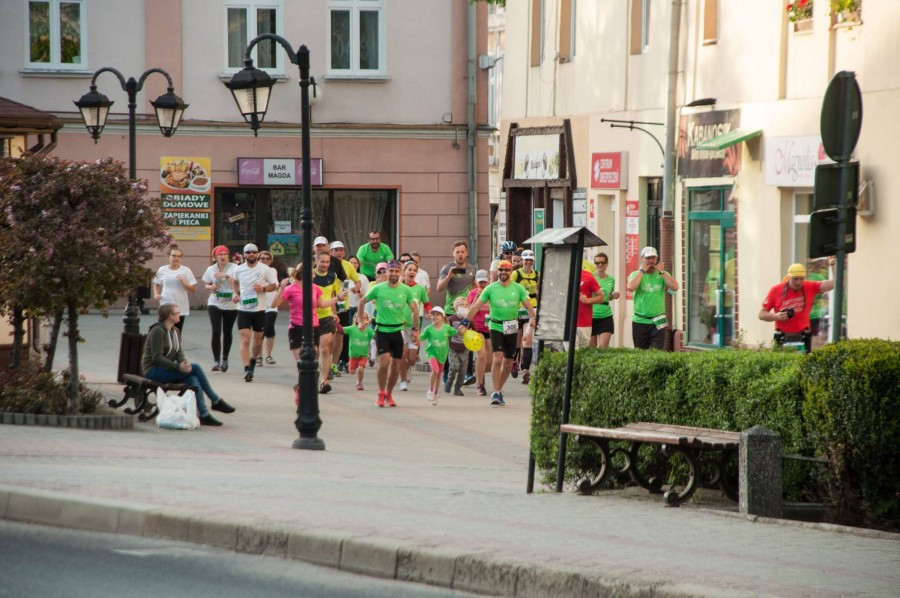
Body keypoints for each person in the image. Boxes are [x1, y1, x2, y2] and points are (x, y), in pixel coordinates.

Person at [141, 304, 235, 426]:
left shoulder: (176, 331)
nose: (179, 315)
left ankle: (204, 414)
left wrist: (184, 363)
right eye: (177, 313)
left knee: (193, 377)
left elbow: (179, 352)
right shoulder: (158, 331)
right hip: (153, 371)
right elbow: (157, 357)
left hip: (166, 369)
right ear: (170, 316)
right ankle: (215, 400)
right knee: (196, 368)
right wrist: (178, 367)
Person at [461, 260, 536, 406]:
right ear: (497, 272)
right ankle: (495, 392)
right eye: (500, 270)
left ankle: (498, 390)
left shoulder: (518, 288)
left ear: (510, 272)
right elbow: (476, 307)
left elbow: (528, 306)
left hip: (511, 326)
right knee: (497, 358)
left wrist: (533, 318)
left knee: (508, 362)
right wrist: (465, 321)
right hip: (495, 325)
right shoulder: (491, 289)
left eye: (506, 270)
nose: (503, 273)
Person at [358, 260, 420, 407]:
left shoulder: (406, 290)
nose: (393, 274)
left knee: (396, 366)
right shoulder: (378, 288)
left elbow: (415, 309)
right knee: (384, 362)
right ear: (387, 272)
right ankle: (380, 392)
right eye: (390, 271)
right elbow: (362, 301)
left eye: (396, 271)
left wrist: (415, 329)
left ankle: (389, 394)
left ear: (401, 273)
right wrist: (360, 321)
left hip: (398, 331)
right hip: (382, 330)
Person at [271, 262, 342, 363]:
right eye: (312, 273)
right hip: (296, 327)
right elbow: (274, 305)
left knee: (312, 360)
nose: (314, 275)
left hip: (313, 327)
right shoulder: (291, 288)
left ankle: (313, 378)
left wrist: (338, 298)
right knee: (301, 362)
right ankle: (303, 376)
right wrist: (281, 289)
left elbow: (323, 304)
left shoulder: (315, 288)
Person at [759, 262, 835, 352]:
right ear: (789, 277)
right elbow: (761, 314)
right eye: (795, 279)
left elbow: (834, 284)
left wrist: (833, 266)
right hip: (783, 337)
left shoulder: (809, 286)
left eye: (801, 279)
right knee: (783, 365)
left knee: (803, 364)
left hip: (803, 336)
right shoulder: (776, 290)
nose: (798, 282)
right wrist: (776, 316)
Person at [232, 243, 278, 382]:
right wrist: (235, 293)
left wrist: (263, 289)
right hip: (243, 309)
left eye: (254, 252)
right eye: (248, 252)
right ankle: (247, 369)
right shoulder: (239, 269)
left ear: (257, 253)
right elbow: (235, 282)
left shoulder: (265, 269)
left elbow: (274, 285)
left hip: (260, 309)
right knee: (245, 339)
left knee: (257, 342)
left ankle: (252, 361)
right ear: (244, 254)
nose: (251, 254)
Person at [626, 246, 679, 350]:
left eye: (653, 258)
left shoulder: (663, 274)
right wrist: (641, 271)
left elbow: (675, 286)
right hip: (640, 320)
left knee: (657, 352)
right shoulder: (635, 274)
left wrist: (662, 272)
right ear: (643, 259)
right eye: (648, 258)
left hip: (659, 320)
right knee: (640, 352)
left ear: (657, 258)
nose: (651, 261)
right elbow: (631, 287)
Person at [202, 245, 238, 372]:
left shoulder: (235, 268)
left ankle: (225, 358)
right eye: (220, 254)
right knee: (216, 330)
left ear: (228, 256)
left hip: (231, 303)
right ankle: (216, 360)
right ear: (215, 257)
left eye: (225, 254)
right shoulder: (211, 269)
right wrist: (210, 287)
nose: (223, 257)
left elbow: (238, 283)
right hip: (214, 302)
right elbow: (206, 284)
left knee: (227, 332)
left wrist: (226, 276)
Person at [312, 251, 344, 393]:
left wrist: (334, 314)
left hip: (326, 317)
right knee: (313, 350)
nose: (325, 264)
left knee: (325, 348)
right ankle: (311, 375)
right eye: (322, 261)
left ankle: (324, 381)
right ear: (316, 261)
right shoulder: (309, 276)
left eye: (327, 262)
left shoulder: (333, 276)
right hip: (311, 317)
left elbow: (332, 296)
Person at [328, 240, 361, 376]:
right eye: (335, 250)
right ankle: (325, 362)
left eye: (341, 250)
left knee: (339, 335)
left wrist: (355, 288)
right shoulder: (326, 263)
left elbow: (357, 281)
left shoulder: (348, 265)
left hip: (342, 304)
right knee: (328, 336)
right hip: (327, 303)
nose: (338, 252)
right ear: (330, 252)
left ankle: (335, 364)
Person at [397, 260, 430, 391]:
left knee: (411, 359)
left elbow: (427, 303)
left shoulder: (420, 288)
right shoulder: (397, 286)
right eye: (409, 269)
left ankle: (408, 367)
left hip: (414, 326)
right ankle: (403, 381)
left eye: (414, 270)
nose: (412, 272)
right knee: (402, 355)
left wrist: (429, 313)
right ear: (404, 271)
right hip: (399, 326)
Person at [510, 249, 540, 382]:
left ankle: (526, 370)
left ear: (533, 261)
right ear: (522, 260)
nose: (528, 262)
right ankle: (514, 362)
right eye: (526, 260)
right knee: (517, 339)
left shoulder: (537, 275)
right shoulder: (516, 274)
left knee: (527, 339)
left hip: (531, 309)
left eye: (530, 260)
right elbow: (509, 287)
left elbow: (540, 291)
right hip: (517, 309)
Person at [153, 244, 197, 331]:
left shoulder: (186, 270)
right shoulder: (162, 269)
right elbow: (156, 284)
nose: (176, 258)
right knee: (164, 329)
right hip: (165, 304)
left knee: (177, 331)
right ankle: (165, 345)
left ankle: (176, 345)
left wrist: (183, 282)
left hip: (180, 306)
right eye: (174, 256)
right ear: (168, 257)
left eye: (179, 256)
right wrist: (156, 294)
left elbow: (193, 289)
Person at [420, 306, 457, 405]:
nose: (435, 316)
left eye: (437, 314)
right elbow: (421, 337)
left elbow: (456, 332)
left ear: (443, 316)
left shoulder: (447, 328)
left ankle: (436, 393)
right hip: (431, 352)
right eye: (433, 314)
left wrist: (463, 330)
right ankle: (430, 390)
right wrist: (416, 337)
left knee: (439, 374)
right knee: (435, 370)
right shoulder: (429, 329)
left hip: (443, 353)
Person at [465, 270, 492, 396]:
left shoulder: (492, 292)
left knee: (490, 360)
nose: (482, 285)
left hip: (491, 327)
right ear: (476, 282)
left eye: (484, 282)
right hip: (478, 327)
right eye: (480, 282)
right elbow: (469, 310)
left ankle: (480, 373)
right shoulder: (472, 293)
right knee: (481, 355)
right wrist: (477, 297)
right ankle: (480, 384)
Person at [437, 241, 476, 315]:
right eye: (457, 252)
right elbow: (439, 288)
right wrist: (448, 277)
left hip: (466, 310)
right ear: (453, 254)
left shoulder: (472, 268)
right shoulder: (447, 268)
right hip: (451, 311)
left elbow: (474, 287)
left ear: (466, 253)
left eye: (462, 252)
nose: (460, 254)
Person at [590, 252, 620, 349]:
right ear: (594, 264)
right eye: (597, 263)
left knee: (603, 348)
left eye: (603, 262)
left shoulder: (611, 279)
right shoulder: (590, 278)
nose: (600, 265)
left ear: (607, 264)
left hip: (606, 315)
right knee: (591, 349)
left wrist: (613, 296)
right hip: (591, 315)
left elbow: (608, 297)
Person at [444, 296, 470, 397]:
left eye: (466, 305)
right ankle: (449, 381)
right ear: (455, 307)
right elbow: (446, 330)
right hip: (453, 347)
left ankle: (458, 387)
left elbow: (474, 331)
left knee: (463, 370)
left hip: (465, 348)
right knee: (454, 367)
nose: (464, 306)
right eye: (461, 305)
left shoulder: (468, 320)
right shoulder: (451, 319)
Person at [258, 250, 281, 365]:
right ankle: (259, 356)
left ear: (271, 261)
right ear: (258, 259)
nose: (265, 260)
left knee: (269, 329)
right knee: (259, 331)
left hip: (271, 305)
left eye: (267, 259)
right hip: (258, 305)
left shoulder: (273, 271)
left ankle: (268, 355)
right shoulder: (254, 270)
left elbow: (275, 285)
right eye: (262, 258)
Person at [576, 266, 605, 349]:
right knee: (569, 354)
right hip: (566, 323)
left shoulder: (588, 276)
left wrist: (588, 300)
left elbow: (601, 297)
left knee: (582, 354)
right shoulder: (562, 275)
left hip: (584, 323)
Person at [345, 312, 375, 391]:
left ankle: (359, 382)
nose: (362, 320)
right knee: (351, 371)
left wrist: (376, 327)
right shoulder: (352, 328)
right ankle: (350, 364)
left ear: (367, 320)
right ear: (356, 319)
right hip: (353, 354)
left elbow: (375, 336)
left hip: (364, 354)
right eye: (360, 318)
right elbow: (342, 329)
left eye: (364, 318)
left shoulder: (368, 330)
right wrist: (335, 324)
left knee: (360, 369)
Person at [346, 255, 369, 325]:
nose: (353, 265)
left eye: (355, 263)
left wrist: (359, 292)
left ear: (358, 265)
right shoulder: (344, 277)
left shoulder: (363, 278)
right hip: (346, 308)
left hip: (358, 307)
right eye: (351, 263)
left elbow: (368, 295)